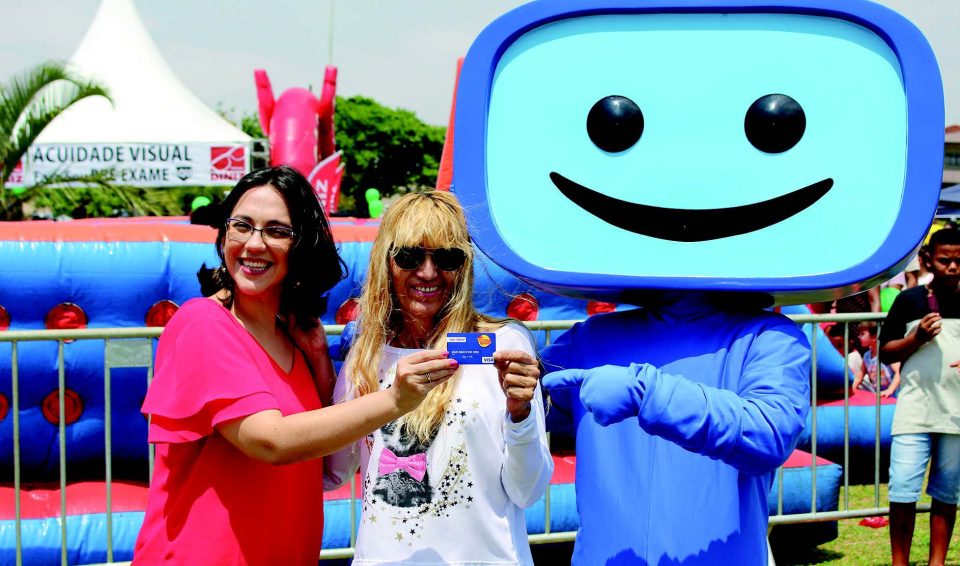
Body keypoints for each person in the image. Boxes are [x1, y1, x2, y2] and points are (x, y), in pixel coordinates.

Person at [133, 167, 455, 565]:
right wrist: (394, 401)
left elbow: (326, 453)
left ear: (302, 244)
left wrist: (318, 358)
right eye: (242, 226)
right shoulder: (204, 323)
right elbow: (271, 441)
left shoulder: (292, 338)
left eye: (276, 231)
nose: (254, 244)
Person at [325, 191, 552, 565]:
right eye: (410, 256)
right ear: (386, 261)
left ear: (464, 265)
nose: (428, 273)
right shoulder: (366, 356)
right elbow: (332, 472)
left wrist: (521, 415)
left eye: (447, 258)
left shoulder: (502, 344)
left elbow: (527, 492)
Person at [881, 228, 960, 566]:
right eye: (945, 260)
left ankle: (936, 563)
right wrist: (916, 338)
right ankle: (899, 562)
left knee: (947, 492)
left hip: (955, 413)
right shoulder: (909, 300)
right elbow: (885, 352)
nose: (953, 267)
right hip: (914, 409)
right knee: (902, 489)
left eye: (959, 260)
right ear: (928, 260)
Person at [850, 321, 899, 397]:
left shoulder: (887, 353)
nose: (859, 337)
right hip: (879, 396)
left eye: (862, 334)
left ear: (874, 337)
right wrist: (851, 389)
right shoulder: (866, 356)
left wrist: (890, 390)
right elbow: (859, 376)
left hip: (894, 396)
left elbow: (899, 372)